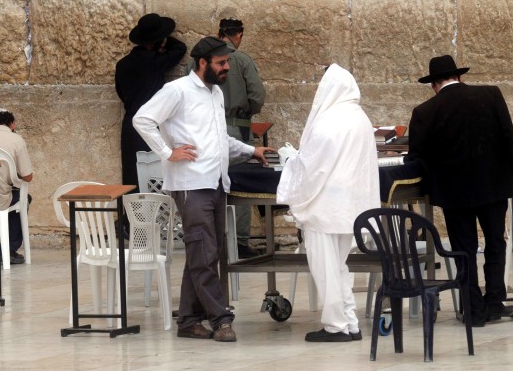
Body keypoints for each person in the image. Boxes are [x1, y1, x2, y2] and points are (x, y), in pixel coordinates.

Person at [133, 36, 274, 342]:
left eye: (227, 62)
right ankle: (221, 318)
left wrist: (251, 151)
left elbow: (219, 138)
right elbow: (142, 119)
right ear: (202, 63)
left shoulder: (216, 94)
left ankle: (187, 320)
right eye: (221, 63)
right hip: (191, 183)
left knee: (207, 252)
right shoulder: (177, 90)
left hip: (216, 181)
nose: (226, 68)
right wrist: (167, 152)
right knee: (204, 251)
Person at [406, 55, 513, 327]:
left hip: (455, 193)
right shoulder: (491, 95)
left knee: (464, 249)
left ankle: (473, 311)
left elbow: (416, 158)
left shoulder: (425, 112)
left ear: (434, 85)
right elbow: (509, 137)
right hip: (495, 186)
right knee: (496, 242)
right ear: (459, 77)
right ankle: (495, 301)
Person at [277, 64, 380, 342]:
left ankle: (336, 326)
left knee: (325, 267)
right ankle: (350, 322)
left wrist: (289, 161)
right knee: (339, 265)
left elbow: (313, 167)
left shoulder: (329, 121)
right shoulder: (360, 118)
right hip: (350, 208)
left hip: (325, 207)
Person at [115, 13, 187, 192]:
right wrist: (165, 41)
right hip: (152, 125)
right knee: (156, 177)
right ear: (157, 40)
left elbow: (121, 93)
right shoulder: (155, 62)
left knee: (133, 175)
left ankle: (132, 218)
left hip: (131, 126)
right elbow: (180, 48)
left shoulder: (122, 64)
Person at [217, 18, 266, 258]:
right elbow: (257, 95)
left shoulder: (198, 59)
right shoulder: (243, 59)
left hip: (208, 127)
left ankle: (218, 240)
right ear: (239, 35)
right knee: (241, 182)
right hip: (237, 127)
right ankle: (239, 242)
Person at [0, 109, 33, 265]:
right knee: (22, 199)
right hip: (1, 198)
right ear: (12, 124)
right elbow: (28, 176)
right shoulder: (16, 140)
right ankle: (8, 250)